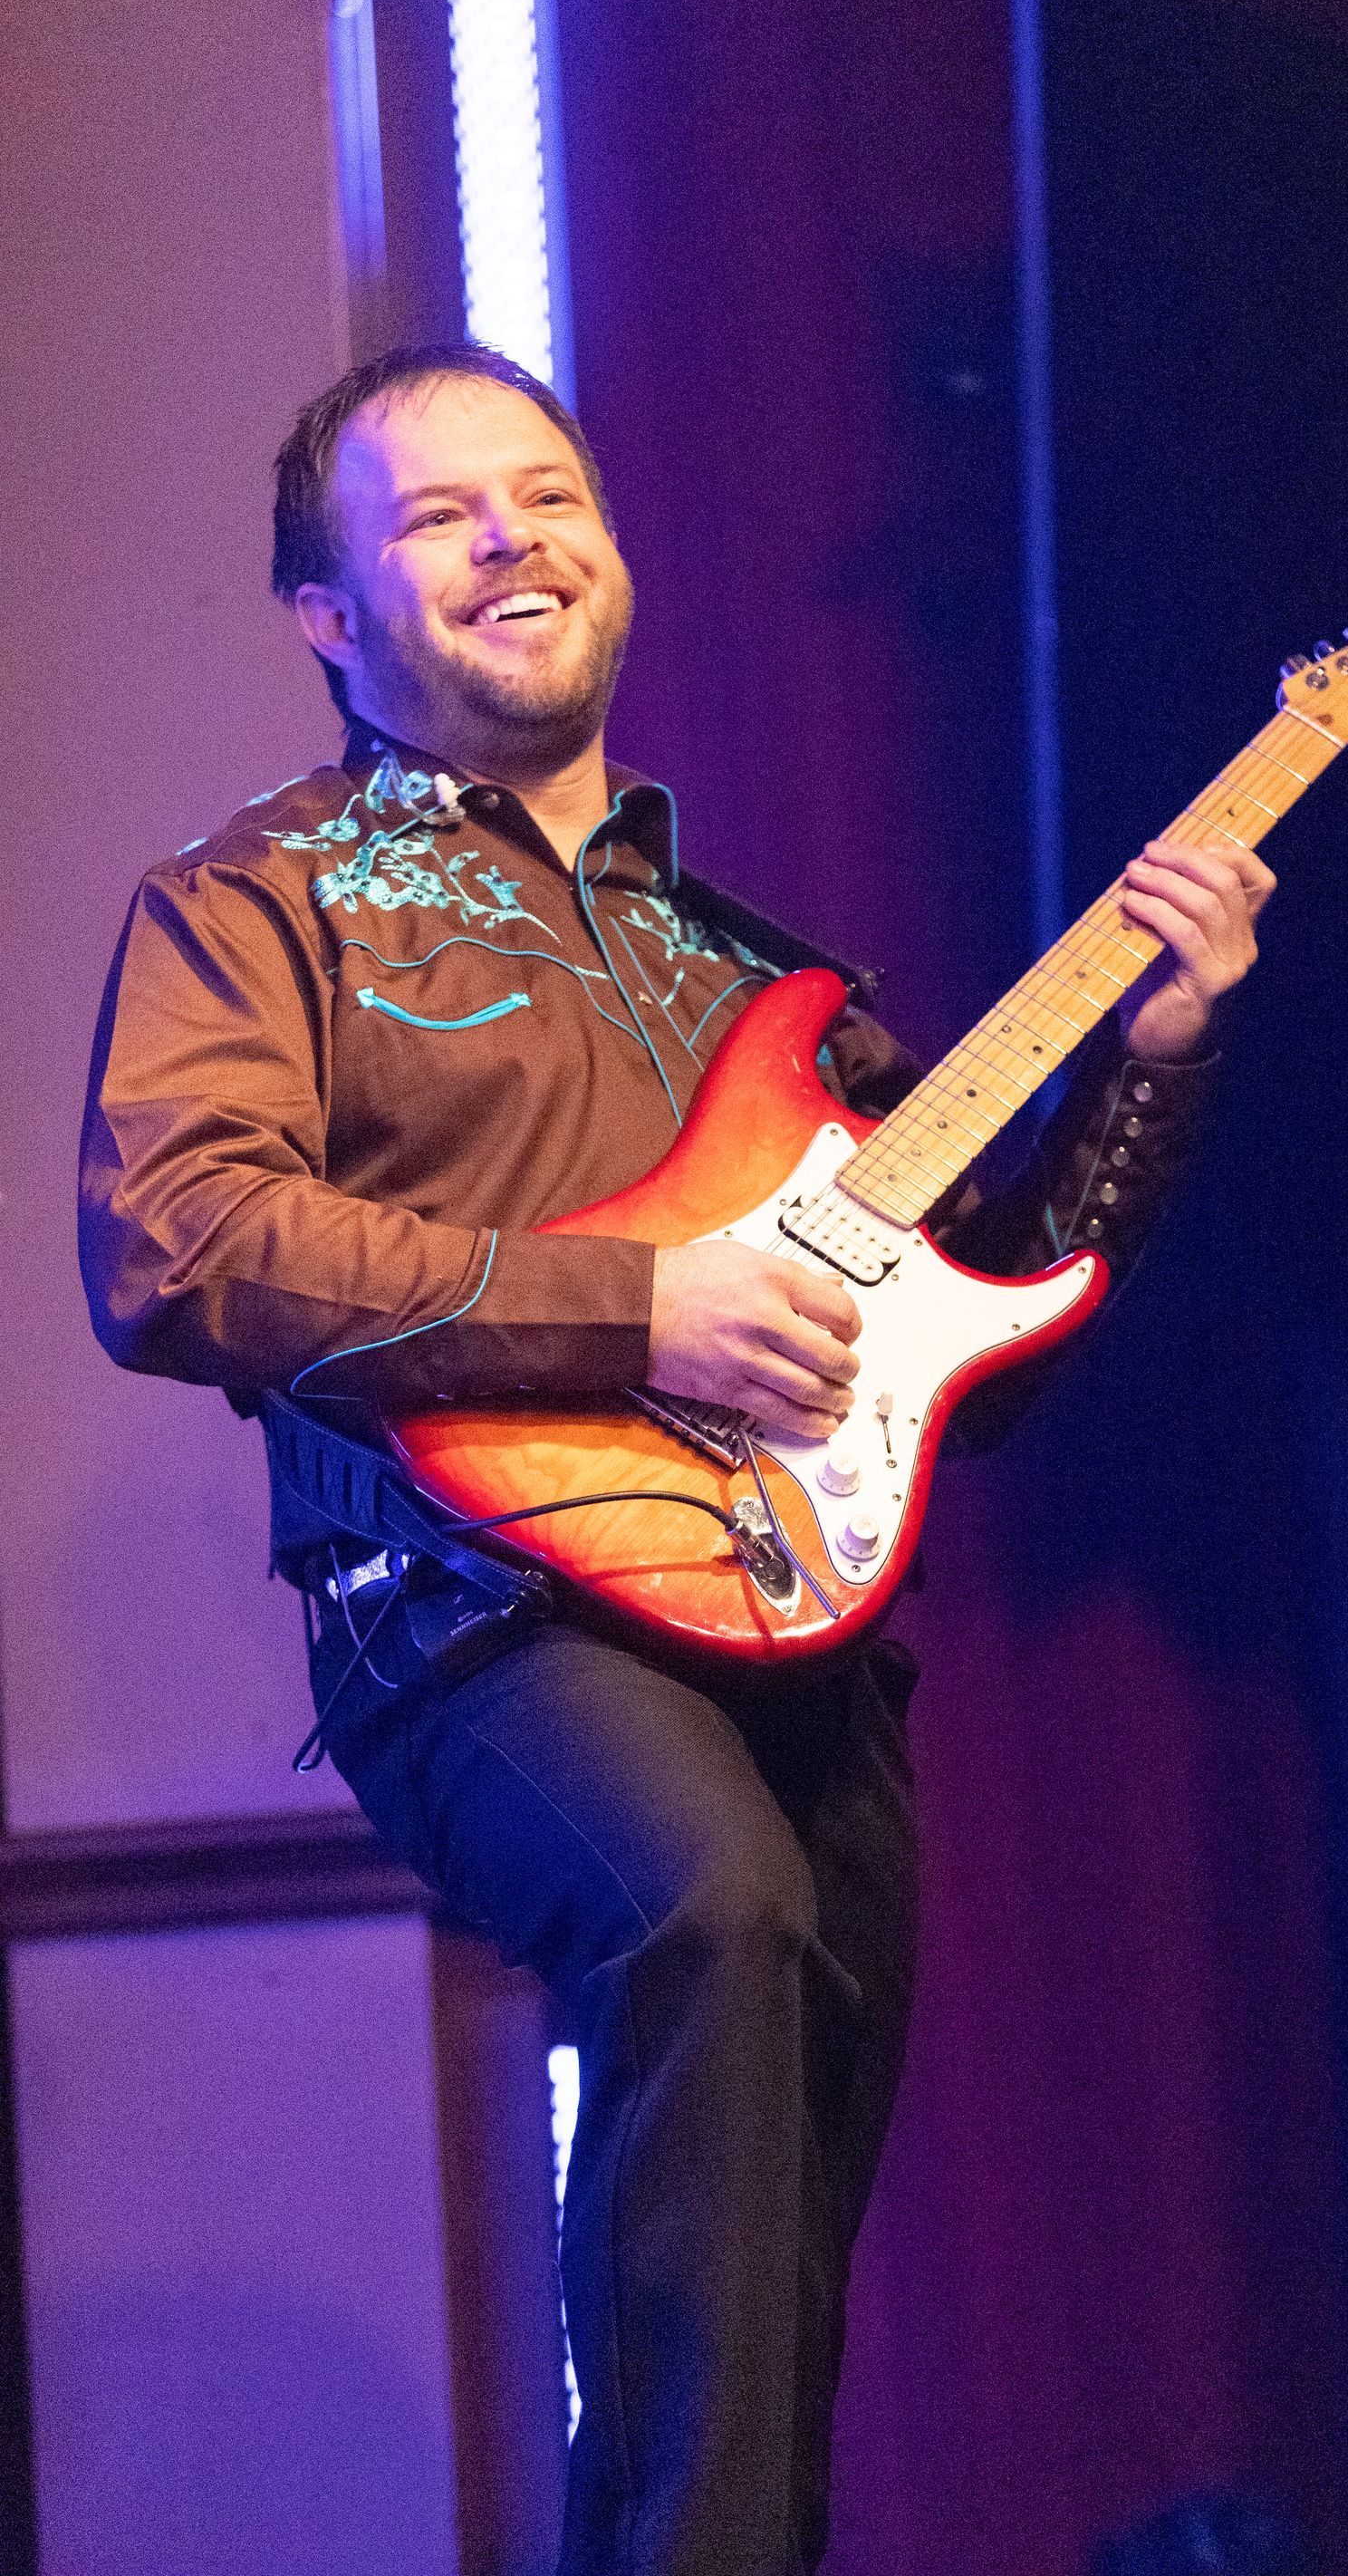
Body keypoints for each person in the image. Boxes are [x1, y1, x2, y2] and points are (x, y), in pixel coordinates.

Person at [78, 343, 1274, 2576]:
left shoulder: (760, 976)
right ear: (330, 618)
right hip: (474, 1610)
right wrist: (641, 1308)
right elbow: (180, 1242)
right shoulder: (262, 901)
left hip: (795, 1618)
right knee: (705, 1918)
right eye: (440, 516)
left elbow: (969, 1352)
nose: (515, 536)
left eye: (550, 496)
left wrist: (1159, 1053)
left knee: (786, 2203)